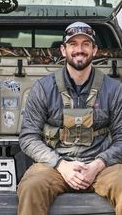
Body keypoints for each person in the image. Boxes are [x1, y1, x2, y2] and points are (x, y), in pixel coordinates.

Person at [17, 21, 122, 215]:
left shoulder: (114, 90)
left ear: (95, 50)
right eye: (73, 44)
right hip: (55, 166)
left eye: (85, 44)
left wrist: (98, 164)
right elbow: (28, 137)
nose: (79, 50)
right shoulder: (43, 89)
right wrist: (60, 164)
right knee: (32, 187)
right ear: (63, 50)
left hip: (101, 166)